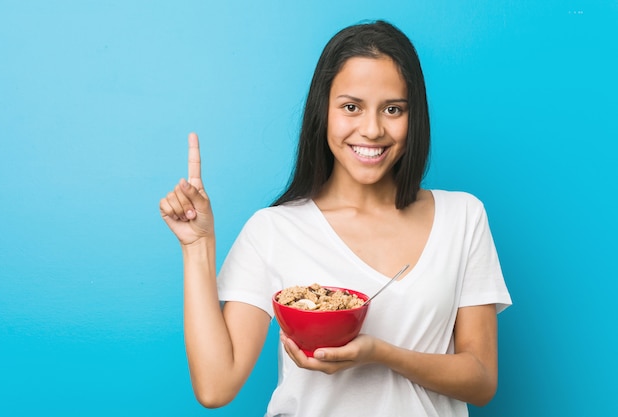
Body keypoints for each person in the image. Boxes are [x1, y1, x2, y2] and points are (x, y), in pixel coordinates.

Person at [159, 20, 511, 417]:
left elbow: (481, 380)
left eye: (393, 109)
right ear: (322, 112)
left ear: (416, 117)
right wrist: (197, 247)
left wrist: (381, 354)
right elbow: (215, 387)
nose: (372, 129)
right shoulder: (273, 229)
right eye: (351, 107)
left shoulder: (462, 217)